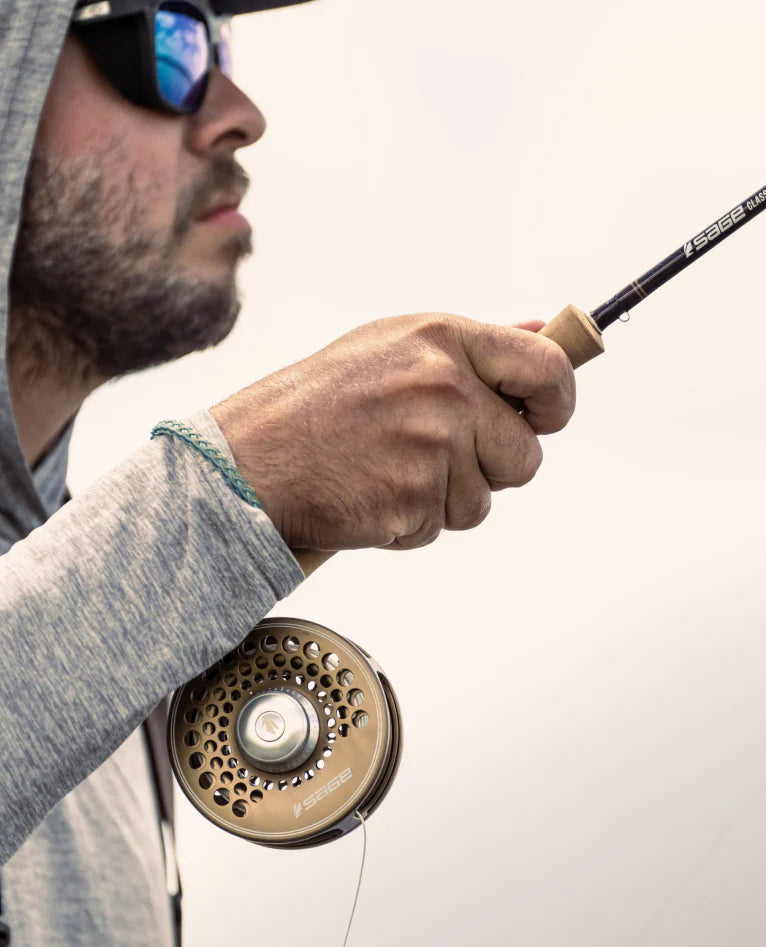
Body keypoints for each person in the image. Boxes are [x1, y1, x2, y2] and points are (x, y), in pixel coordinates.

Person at [0, 0, 576, 943]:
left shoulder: (112, 660)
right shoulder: (132, 593)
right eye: (170, 42)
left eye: (219, 42)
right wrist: (232, 494)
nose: (239, 112)